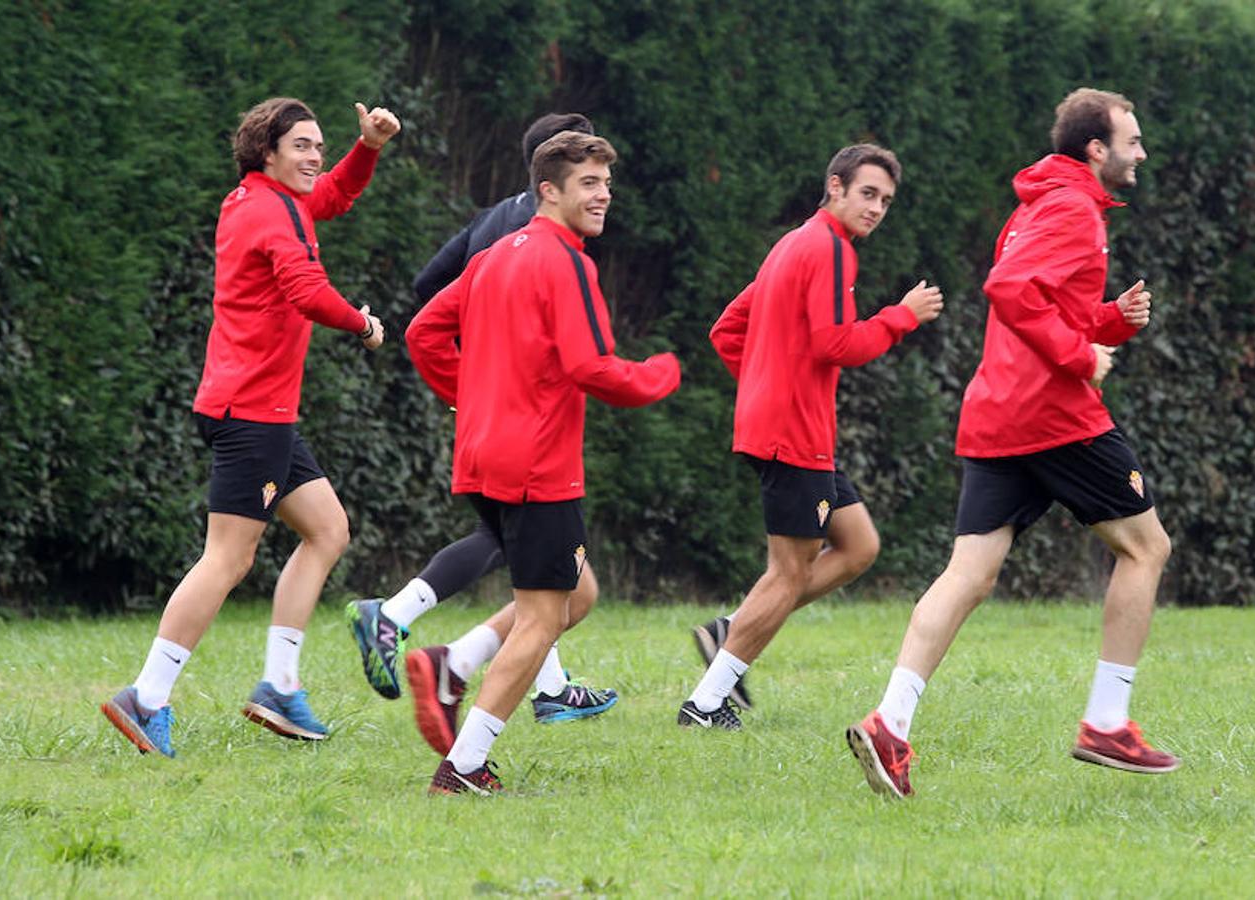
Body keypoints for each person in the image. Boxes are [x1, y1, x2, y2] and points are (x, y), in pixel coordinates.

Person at [847, 87, 1176, 799]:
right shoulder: (1069, 207)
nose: (1142, 152)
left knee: (970, 573)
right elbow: (1010, 288)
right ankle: (1107, 722)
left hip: (998, 414)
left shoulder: (1039, 202)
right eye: (1133, 140)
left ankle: (889, 725)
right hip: (1053, 416)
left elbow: (1048, 301)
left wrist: (1109, 322)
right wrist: (1079, 356)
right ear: (1097, 148)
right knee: (1147, 548)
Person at [100, 98, 401, 757]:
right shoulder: (271, 211)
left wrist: (368, 147)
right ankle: (147, 698)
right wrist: (362, 323)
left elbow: (335, 195)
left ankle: (279, 685)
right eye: (301, 145)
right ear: (267, 152)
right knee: (228, 557)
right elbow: (305, 287)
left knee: (327, 530)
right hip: (251, 414)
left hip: (259, 411)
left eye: (319, 144)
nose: (315, 156)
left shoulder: (268, 199)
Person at [405, 131, 680, 794]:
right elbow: (592, 367)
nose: (603, 195)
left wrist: (470, 397)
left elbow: (422, 334)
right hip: (535, 463)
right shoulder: (567, 262)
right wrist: (658, 375)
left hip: (481, 456)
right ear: (548, 191)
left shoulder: (497, 254)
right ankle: (464, 766)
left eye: (606, 183)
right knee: (543, 617)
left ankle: (453, 662)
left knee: (574, 591)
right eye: (588, 183)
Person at [346, 113, 617, 730]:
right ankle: (401, 622)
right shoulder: (541, 235)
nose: (599, 189)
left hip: (487, 403)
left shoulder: (497, 217)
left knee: (556, 574)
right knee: (535, 559)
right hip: (516, 411)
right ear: (553, 176)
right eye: (587, 174)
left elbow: (427, 285)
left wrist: (474, 371)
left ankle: (535, 683)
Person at [678, 145, 944, 731]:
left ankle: (734, 628)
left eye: (886, 201)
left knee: (858, 545)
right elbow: (836, 344)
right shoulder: (829, 250)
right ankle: (705, 702)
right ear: (836, 187)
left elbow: (726, 331)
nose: (876, 209)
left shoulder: (792, 245)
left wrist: (763, 387)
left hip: (788, 427)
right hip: (791, 432)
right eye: (868, 194)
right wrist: (901, 315)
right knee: (789, 572)